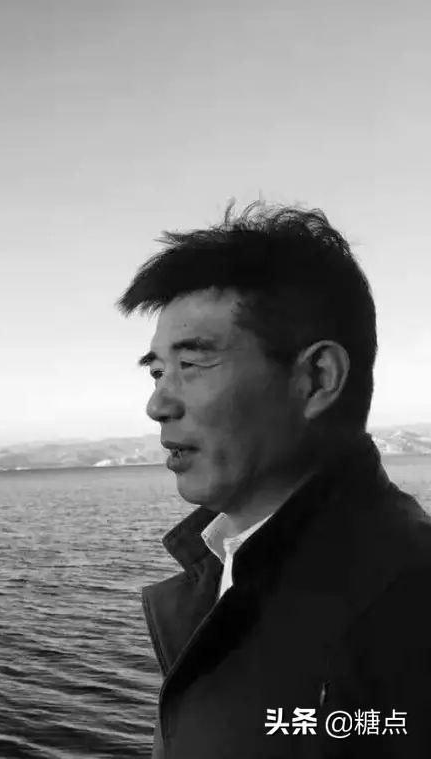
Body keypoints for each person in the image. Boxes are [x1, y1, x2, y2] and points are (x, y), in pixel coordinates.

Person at [116, 201, 431, 758]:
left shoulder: (407, 607)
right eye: (158, 371)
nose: (157, 404)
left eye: (192, 364)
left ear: (317, 378)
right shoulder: (226, 564)